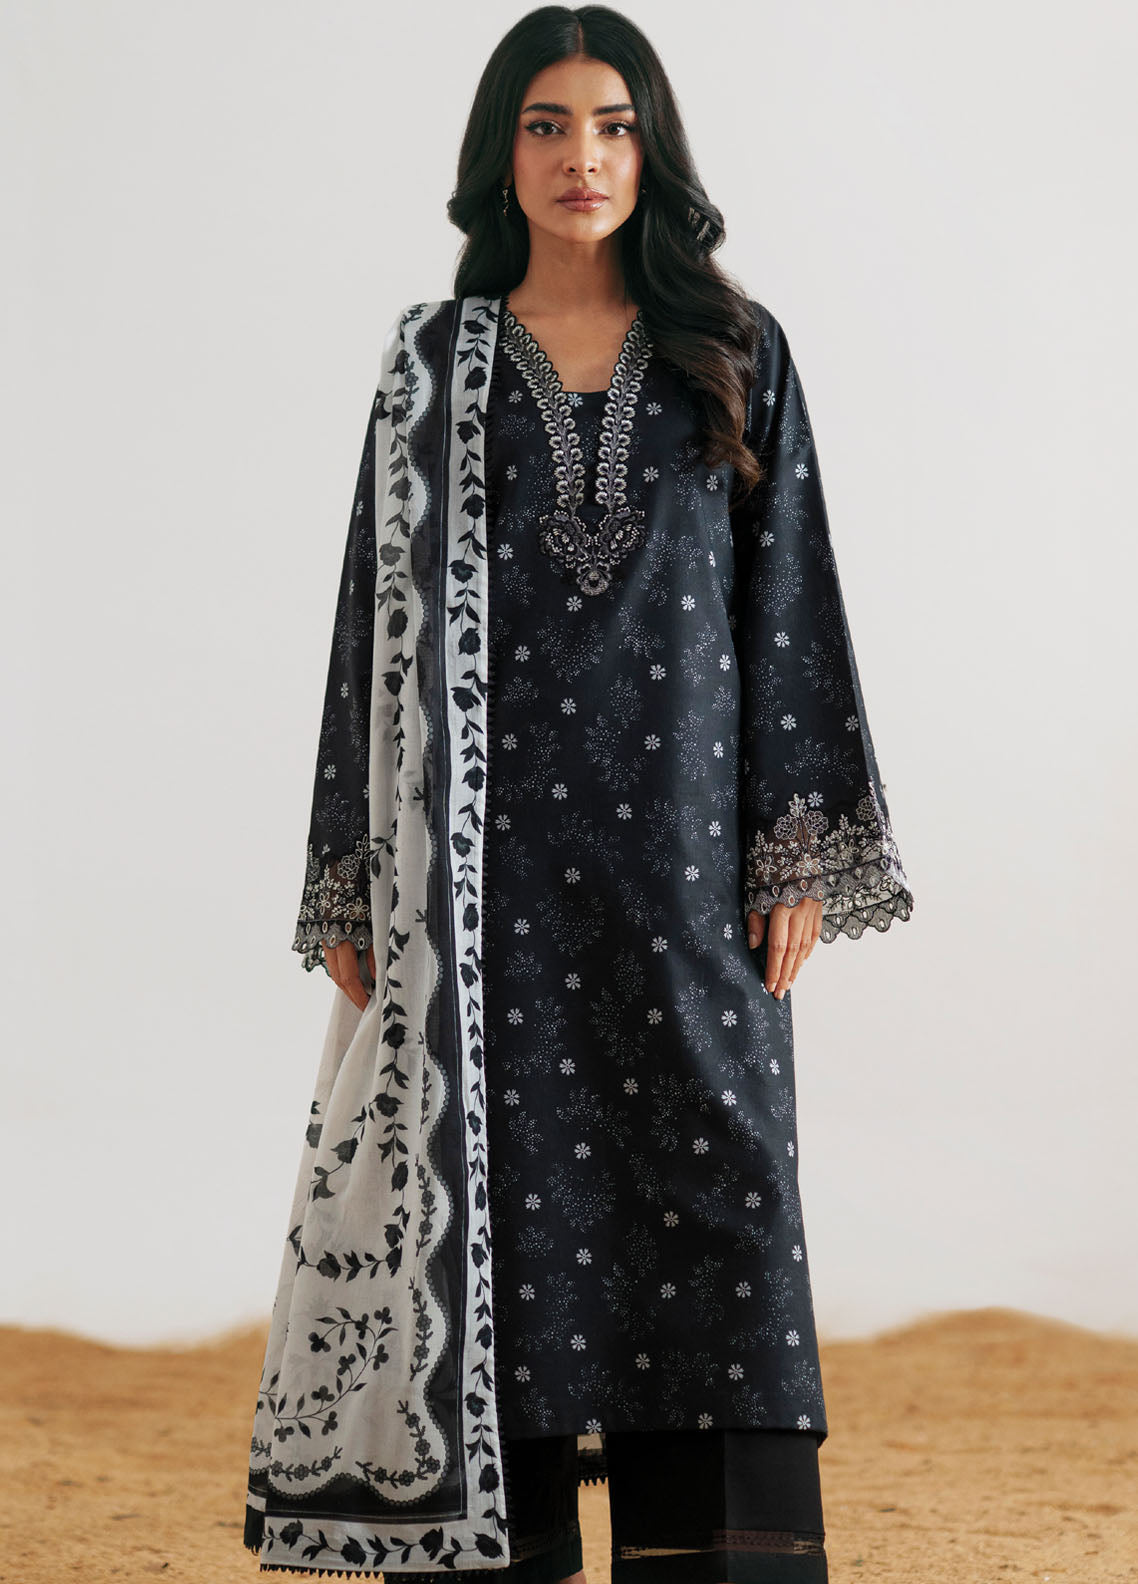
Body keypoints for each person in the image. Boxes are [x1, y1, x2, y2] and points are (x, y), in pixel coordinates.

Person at [244, 7, 914, 1583]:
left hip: (689, 872)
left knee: (718, 1190)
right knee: (508, 1218)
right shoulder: (434, 366)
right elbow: (367, 626)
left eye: (612, 125)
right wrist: (349, 872)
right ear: (500, 155)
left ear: (652, 148)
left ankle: (718, 1557)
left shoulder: (730, 351)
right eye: (545, 126)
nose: (581, 158)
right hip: (483, 887)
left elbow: (789, 604)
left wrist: (792, 842)